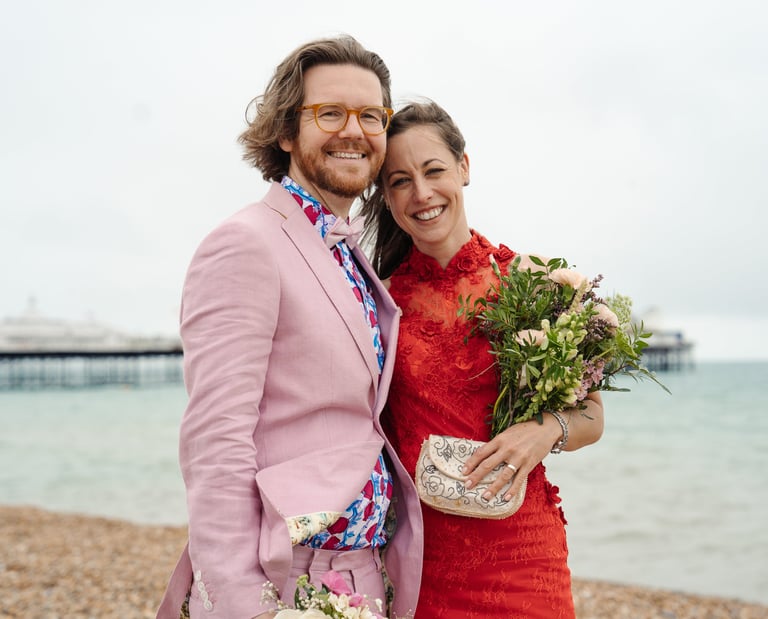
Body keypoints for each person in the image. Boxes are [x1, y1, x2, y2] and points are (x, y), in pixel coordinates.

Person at [155, 36, 423, 619]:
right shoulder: (246, 243)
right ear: (285, 131)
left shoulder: (346, 250)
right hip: (287, 576)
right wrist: (243, 604)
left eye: (371, 116)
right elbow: (215, 442)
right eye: (330, 113)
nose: (353, 130)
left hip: (362, 574)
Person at [360, 101, 604, 618]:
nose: (421, 194)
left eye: (434, 171)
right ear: (386, 195)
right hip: (423, 562)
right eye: (400, 181)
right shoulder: (379, 303)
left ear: (464, 168)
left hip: (524, 555)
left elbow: (593, 417)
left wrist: (542, 431)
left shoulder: (534, 282)